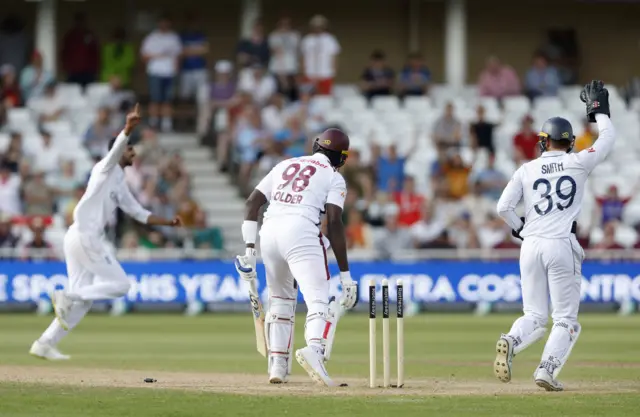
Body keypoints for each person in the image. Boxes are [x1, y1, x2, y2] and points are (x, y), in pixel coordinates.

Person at [29, 104, 184, 361]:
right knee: (121, 285)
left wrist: (168, 222)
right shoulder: (104, 168)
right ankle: (67, 295)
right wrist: (127, 128)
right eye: (131, 149)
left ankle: (44, 343)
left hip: (80, 238)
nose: (134, 154)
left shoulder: (120, 182)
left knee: (84, 301)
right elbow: (113, 153)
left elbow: (137, 212)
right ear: (121, 150)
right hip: (85, 236)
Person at [494, 80, 614, 391]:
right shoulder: (578, 161)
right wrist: (598, 111)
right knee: (565, 319)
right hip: (561, 243)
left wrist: (520, 229)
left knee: (534, 314)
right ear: (571, 142)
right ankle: (546, 370)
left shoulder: (527, 169)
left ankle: (511, 338)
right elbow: (608, 138)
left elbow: (503, 207)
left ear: (543, 142)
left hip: (531, 244)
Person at [234, 128, 358, 386]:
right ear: (341, 158)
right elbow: (334, 222)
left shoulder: (285, 164)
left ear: (316, 146)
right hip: (301, 232)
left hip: (269, 234)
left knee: (279, 299)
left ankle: (278, 365)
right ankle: (314, 350)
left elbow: (251, 203)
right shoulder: (334, 178)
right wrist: (346, 276)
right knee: (318, 300)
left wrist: (249, 251)